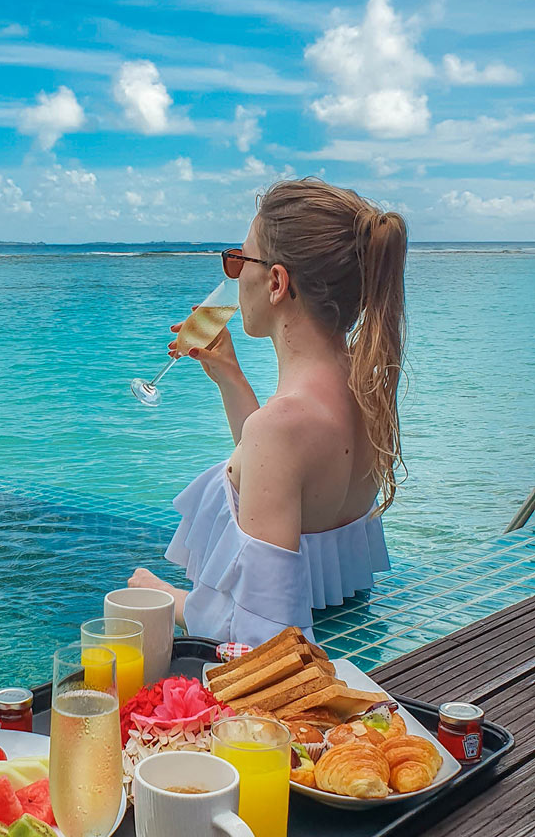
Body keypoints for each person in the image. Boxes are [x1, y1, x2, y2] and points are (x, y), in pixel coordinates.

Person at [129, 177, 405, 646]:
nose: (232, 275)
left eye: (238, 260)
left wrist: (167, 598)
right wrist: (231, 380)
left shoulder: (279, 429)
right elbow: (287, 486)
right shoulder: (369, 388)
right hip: (357, 636)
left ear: (276, 282)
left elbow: (263, 636)